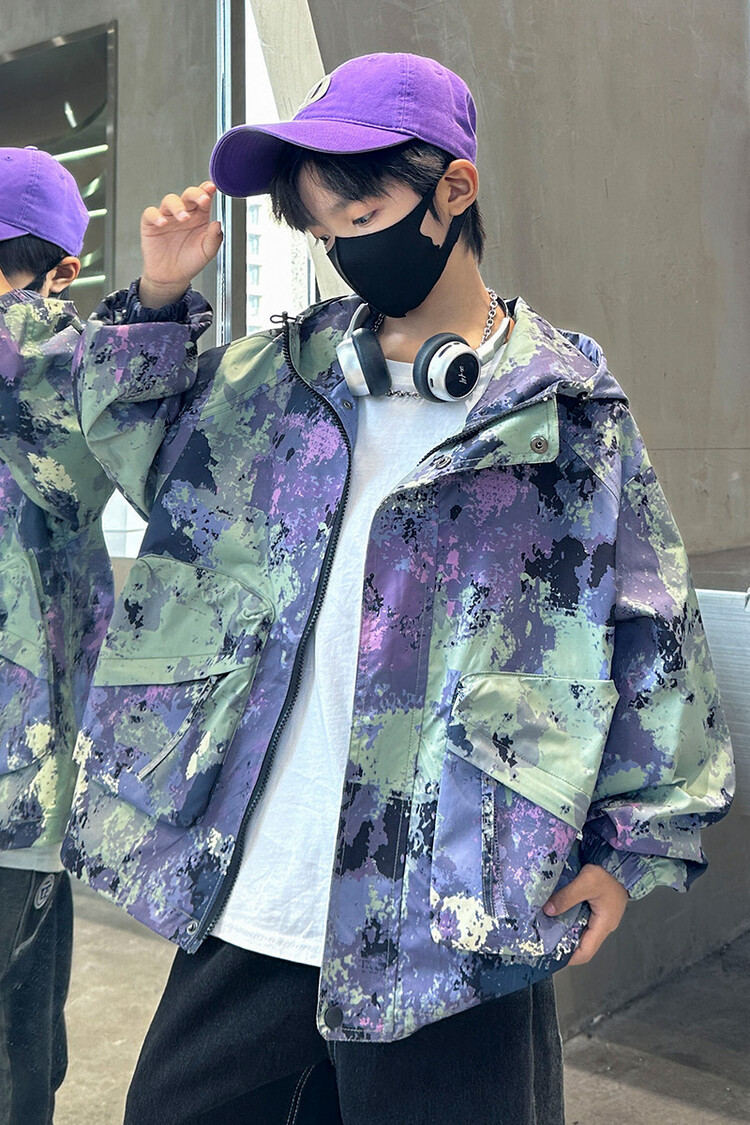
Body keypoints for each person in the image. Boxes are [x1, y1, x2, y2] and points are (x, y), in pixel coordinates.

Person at [62, 54, 733, 1124]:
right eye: (323, 232)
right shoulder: (271, 382)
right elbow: (132, 451)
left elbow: (652, 632)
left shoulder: (562, 411)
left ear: (453, 190)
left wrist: (630, 844)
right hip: (252, 895)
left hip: (451, 918)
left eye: (363, 214)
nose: (342, 250)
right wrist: (158, 296)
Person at [0, 147, 114, 1123]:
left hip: (17, 789)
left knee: (16, 1047)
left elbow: (73, 479)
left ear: (58, 277)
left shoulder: (68, 377)